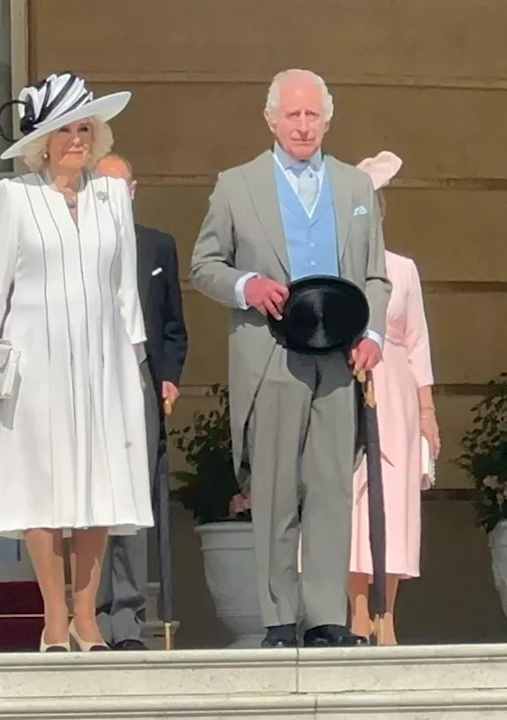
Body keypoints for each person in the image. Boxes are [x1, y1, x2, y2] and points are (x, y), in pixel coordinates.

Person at [189, 68, 390, 648]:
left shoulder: (355, 188)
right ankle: (279, 618)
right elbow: (204, 264)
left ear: (328, 120)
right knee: (275, 490)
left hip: (337, 356)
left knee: (330, 488)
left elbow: (376, 275)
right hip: (271, 352)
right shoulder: (236, 184)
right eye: (293, 115)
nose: (303, 126)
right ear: (271, 119)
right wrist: (245, 285)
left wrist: (373, 333)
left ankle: (327, 616)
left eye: (313, 116)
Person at [0, 71, 154, 653]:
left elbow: (125, 287)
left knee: (98, 485)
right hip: (38, 358)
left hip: (103, 360)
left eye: (84, 128)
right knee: (41, 486)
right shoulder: (16, 196)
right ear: (42, 142)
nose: (76, 139)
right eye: (64, 130)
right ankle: (53, 615)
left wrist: (135, 360)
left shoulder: (111, 196)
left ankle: (86, 615)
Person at [93, 153, 188, 650]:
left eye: (118, 187)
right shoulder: (80, 244)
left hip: (140, 381)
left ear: (134, 190)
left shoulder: (157, 245)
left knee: (132, 499)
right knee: (91, 500)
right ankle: (92, 615)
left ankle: (127, 619)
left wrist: (168, 377)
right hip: (88, 382)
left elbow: (173, 324)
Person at [348, 151, 439, 645]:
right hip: (350, 389)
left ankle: (388, 617)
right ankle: (357, 614)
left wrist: (427, 411)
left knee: (395, 503)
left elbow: (418, 340)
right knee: (354, 502)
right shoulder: (334, 268)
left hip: (398, 393)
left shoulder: (403, 269)